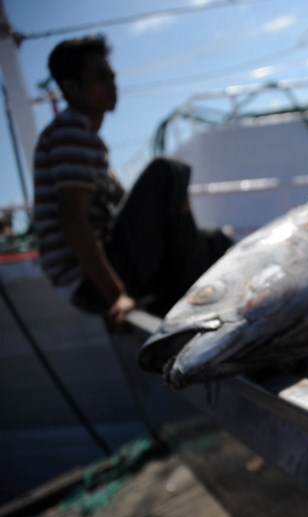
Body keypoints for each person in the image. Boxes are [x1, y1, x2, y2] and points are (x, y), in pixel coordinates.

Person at [33, 34, 232, 326]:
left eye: (112, 76)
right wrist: (115, 295)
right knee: (168, 170)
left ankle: (188, 289)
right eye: (101, 77)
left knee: (214, 241)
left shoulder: (87, 139)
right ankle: (193, 301)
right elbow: (73, 220)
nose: (113, 85)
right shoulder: (71, 132)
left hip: (99, 275)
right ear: (71, 88)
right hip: (89, 284)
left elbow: (125, 203)